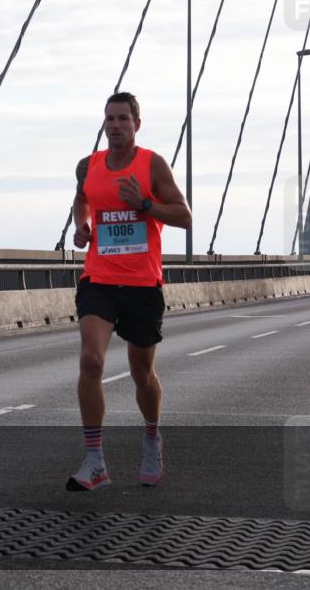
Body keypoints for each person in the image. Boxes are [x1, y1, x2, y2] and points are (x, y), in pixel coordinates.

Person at [67, 91, 192, 491]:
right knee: (90, 361)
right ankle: (94, 460)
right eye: (109, 118)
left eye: (123, 118)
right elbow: (81, 201)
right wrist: (82, 227)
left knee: (142, 373)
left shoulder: (151, 164)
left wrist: (146, 205)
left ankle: (152, 437)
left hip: (142, 283)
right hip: (99, 278)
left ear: (137, 123)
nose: (115, 125)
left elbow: (184, 217)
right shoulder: (89, 165)